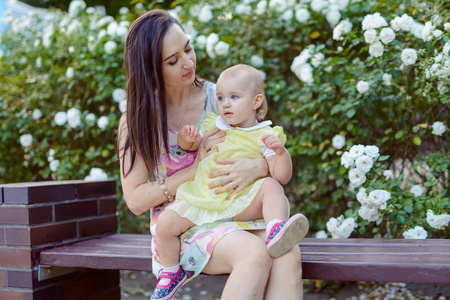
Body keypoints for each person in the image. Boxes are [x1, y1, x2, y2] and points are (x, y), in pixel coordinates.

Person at [117, 9, 304, 300]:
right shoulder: (137, 119)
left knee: (288, 254)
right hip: (181, 225)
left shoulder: (222, 98)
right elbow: (136, 201)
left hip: (233, 211)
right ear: (152, 69)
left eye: (188, 48)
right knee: (254, 254)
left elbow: (262, 147)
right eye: (173, 60)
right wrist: (192, 171)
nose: (188, 62)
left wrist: (257, 166)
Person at [155, 64, 309, 297]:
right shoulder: (213, 125)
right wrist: (188, 140)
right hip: (204, 197)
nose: (225, 103)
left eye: (234, 97)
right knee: (165, 222)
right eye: (220, 97)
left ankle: (275, 227)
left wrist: (280, 154)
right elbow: (195, 146)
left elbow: (281, 176)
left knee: (271, 186)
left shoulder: (263, 136)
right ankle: (171, 271)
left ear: (256, 102)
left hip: (241, 201)